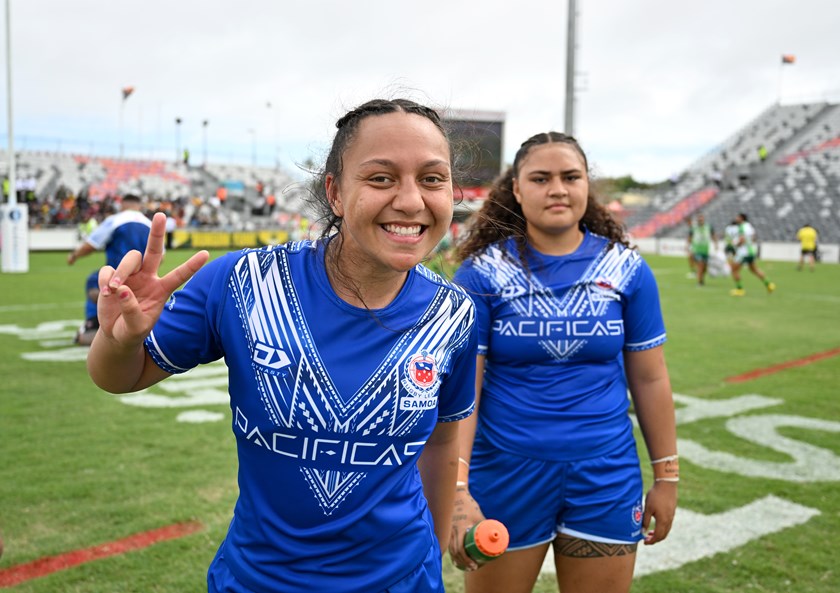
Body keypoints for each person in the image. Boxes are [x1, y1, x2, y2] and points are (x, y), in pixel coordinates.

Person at [86, 98, 478, 593]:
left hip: (405, 580)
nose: (410, 200)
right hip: (260, 580)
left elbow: (442, 443)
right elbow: (119, 376)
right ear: (335, 192)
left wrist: (432, 556)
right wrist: (120, 340)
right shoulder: (243, 283)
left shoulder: (454, 314)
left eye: (432, 178)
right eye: (380, 177)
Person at [448, 132, 678, 593]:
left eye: (570, 176)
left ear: (586, 184)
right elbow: (462, 395)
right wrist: (457, 490)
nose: (557, 188)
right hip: (506, 474)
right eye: (541, 177)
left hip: (605, 474)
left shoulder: (626, 269)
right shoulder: (482, 274)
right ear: (516, 188)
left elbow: (650, 378)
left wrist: (667, 476)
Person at [67, 193, 153, 345]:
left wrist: (74, 256)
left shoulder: (116, 220)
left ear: (122, 205)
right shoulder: (149, 223)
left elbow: (92, 244)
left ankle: (93, 326)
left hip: (115, 276)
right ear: (139, 206)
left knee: (94, 282)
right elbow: (160, 255)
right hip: (142, 278)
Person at [729, 212, 775, 296]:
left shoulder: (742, 227)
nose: (736, 219)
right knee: (754, 269)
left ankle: (739, 290)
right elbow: (753, 237)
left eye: (737, 217)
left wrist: (735, 244)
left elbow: (742, 240)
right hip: (751, 251)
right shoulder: (749, 226)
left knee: (734, 270)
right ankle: (769, 284)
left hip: (743, 253)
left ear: (741, 218)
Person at [687, 213, 717, 286]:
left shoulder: (709, 227)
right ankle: (699, 282)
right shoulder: (694, 228)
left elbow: (713, 236)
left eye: (701, 218)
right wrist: (689, 248)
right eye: (699, 218)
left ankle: (702, 279)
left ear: (703, 219)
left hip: (706, 250)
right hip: (697, 250)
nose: (700, 220)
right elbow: (690, 238)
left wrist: (716, 244)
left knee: (705, 268)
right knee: (700, 265)